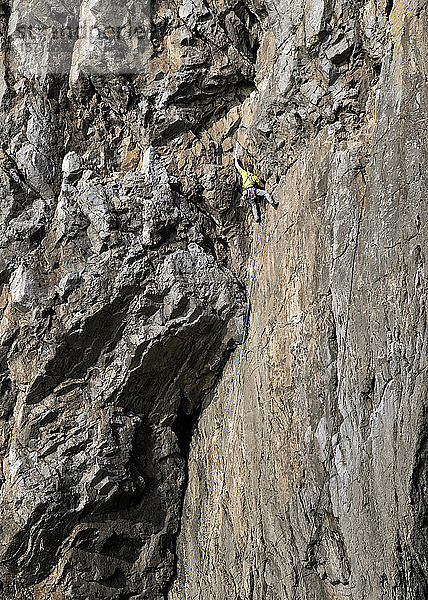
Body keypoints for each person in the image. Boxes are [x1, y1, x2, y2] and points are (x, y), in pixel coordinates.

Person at [234, 150, 278, 222]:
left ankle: (256, 218)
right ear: (252, 170)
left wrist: (235, 159)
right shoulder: (254, 177)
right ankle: (273, 203)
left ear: (247, 169)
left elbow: (238, 166)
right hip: (253, 191)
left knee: (253, 205)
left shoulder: (244, 174)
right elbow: (261, 184)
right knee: (265, 193)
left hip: (246, 193)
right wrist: (265, 184)